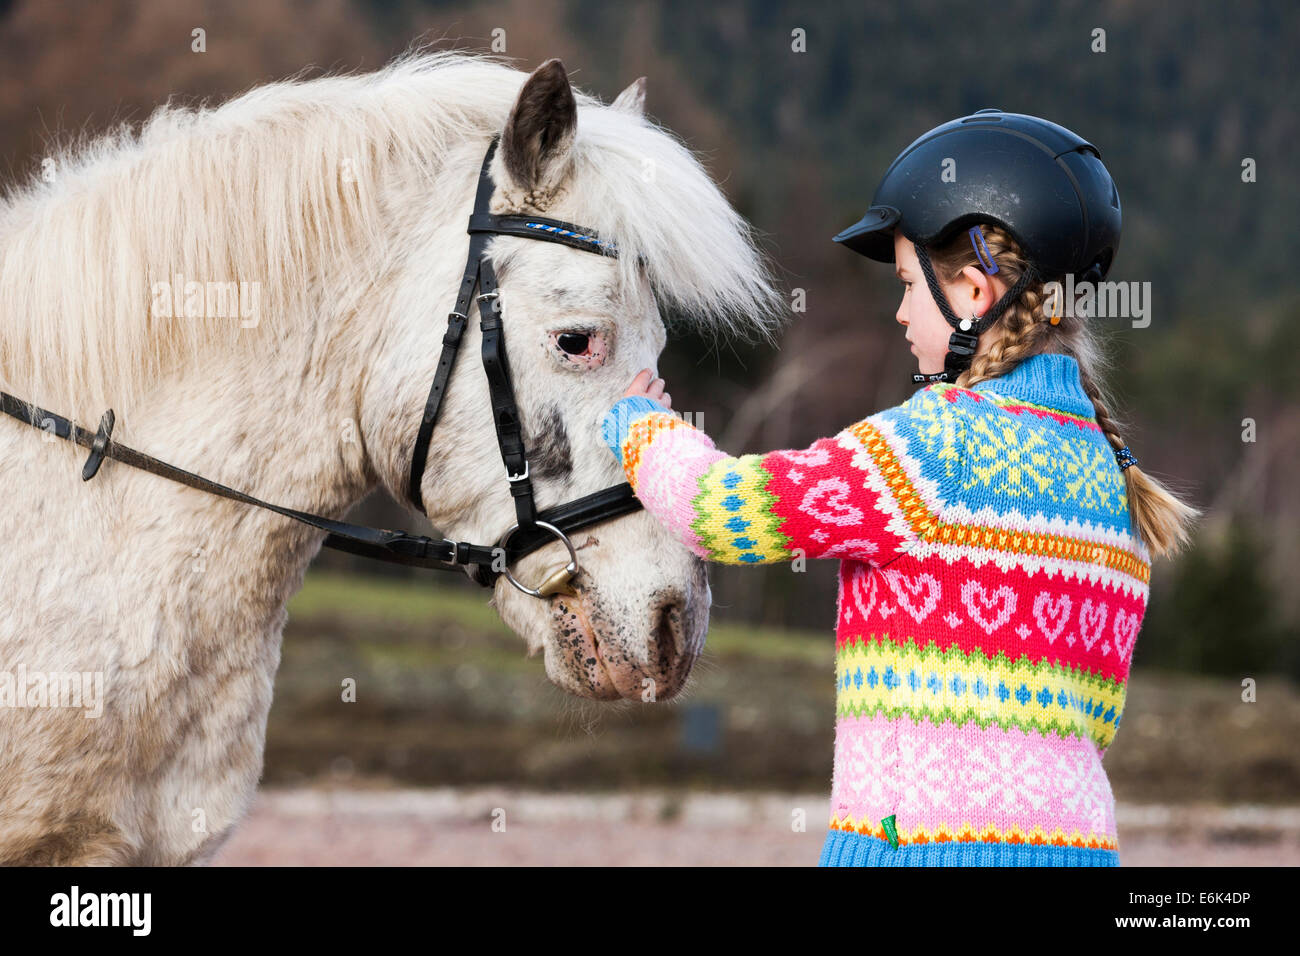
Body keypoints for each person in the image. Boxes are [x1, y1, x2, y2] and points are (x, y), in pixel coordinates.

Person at [600, 110, 1201, 866]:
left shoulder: (931, 449)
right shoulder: (1117, 477)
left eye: (911, 284)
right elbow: (1097, 725)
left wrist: (639, 427)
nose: (899, 310)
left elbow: (722, 510)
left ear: (975, 293)